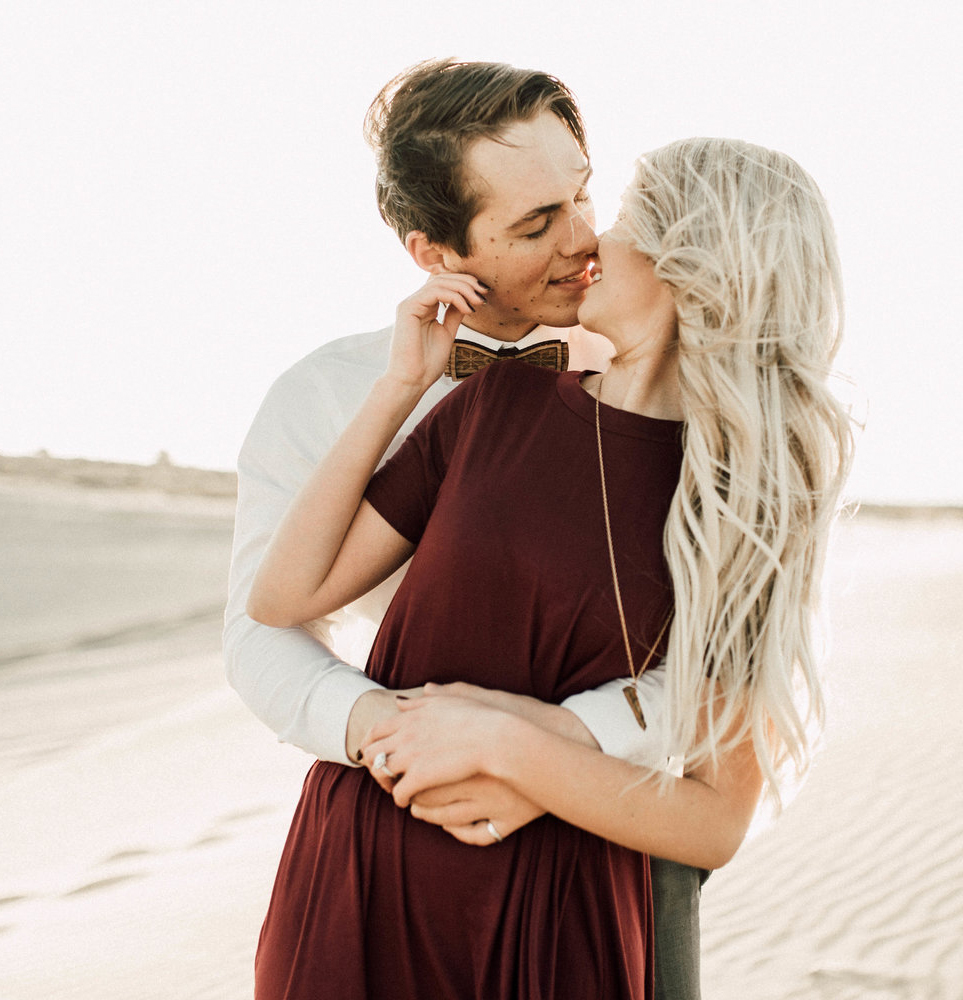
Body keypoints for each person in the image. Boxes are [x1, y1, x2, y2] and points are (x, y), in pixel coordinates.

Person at [248, 136, 852, 998]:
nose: (589, 242)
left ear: (691, 265)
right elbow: (285, 595)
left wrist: (512, 747)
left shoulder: (741, 497)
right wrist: (396, 387)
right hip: (362, 870)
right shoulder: (495, 402)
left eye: (621, 221)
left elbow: (716, 821)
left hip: (566, 903)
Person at [226, 61, 703, 997]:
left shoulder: (669, 377)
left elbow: (728, 663)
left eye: (581, 196)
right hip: (392, 832)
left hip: (616, 833)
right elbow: (264, 629)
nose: (584, 241)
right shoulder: (323, 396)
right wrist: (394, 736)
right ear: (433, 253)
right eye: (534, 225)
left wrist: (548, 749)